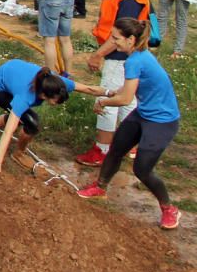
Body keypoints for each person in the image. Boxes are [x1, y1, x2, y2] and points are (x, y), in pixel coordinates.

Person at [77, 19, 182, 230]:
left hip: (162, 121)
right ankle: (100, 188)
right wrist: (109, 92)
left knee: (142, 169)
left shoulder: (136, 60)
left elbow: (125, 99)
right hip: (144, 113)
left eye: (116, 38)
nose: (113, 42)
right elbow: (130, 89)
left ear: (131, 39)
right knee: (115, 150)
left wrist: (104, 101)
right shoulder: (138, 56)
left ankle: (169, 209)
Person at [75, 0, 151, 167]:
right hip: (128, 56)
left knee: (108, 98)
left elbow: (120, 33)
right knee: (129, 100)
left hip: (119, 57)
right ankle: (131, 145)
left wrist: (98, 54)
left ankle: (102, 149)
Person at [0, 59, 100, 173]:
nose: (58, 104)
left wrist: (111, 94)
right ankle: (18, 154)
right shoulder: (25, 96)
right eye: (56, 101)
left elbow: (88, 89)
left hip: (12, 73)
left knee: (20, 118)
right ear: (43, 95)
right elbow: (8, 132)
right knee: (31, 123)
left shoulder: (55, 83)